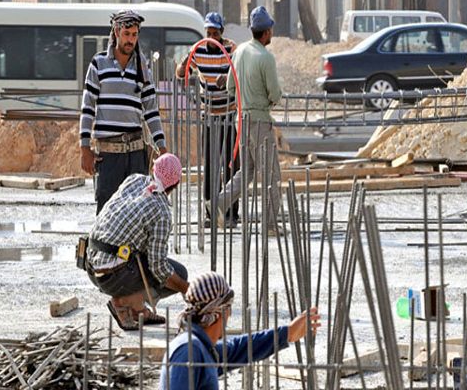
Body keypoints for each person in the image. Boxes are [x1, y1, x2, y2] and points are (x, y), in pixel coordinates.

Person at [159, 272, 320, 390]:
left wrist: (287, 333)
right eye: (229, 308)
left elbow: (240, 347)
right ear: (220, 312)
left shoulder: (201, 347)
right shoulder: (189, 350)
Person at [86, 154, 189, 331]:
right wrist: (186, 289)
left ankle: (137, 310)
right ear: (176, 184)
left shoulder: (134, 180)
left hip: (90, 262)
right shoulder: (162, 212)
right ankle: (125, 301)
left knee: (139, 252)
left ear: (153, 169)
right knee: (178, 273)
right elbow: (159, 268)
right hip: (111, 275)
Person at [79, 9, 167, 214]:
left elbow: (151, 111)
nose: (130, 40)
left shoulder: (143, 68)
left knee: (136, 211)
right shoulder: (98, 64)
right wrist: (84, 147)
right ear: (116, 32)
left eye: (134, 35)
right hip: (108, 156)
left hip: (136, 155)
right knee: (107, 212)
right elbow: (87, 107)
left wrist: (162, 148)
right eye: (127, 34)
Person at [211, 6, 284, 235]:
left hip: (240, 120)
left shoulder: (240, 51)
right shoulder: (266, 58)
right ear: (266, 32)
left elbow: (231, 87)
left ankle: (218, 203)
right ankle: (270, 224)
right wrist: (267, 100)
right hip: (260, 121)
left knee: (248, 171)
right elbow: (275, 94)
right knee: (272, 175)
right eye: (270, 30)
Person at [176, 12, 240, 228]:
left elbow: (241, 72)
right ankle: (211, 213)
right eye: (208, 32)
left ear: (221, 33)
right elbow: (180, 73)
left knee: (231, 164)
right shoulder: (199, 49)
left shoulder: (232, 49)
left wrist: (230, 77)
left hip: (230, 114)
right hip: (210, 115)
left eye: (215, 33)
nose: (211, 37)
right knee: (211, 166)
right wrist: (185, 63)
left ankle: (231, 213)